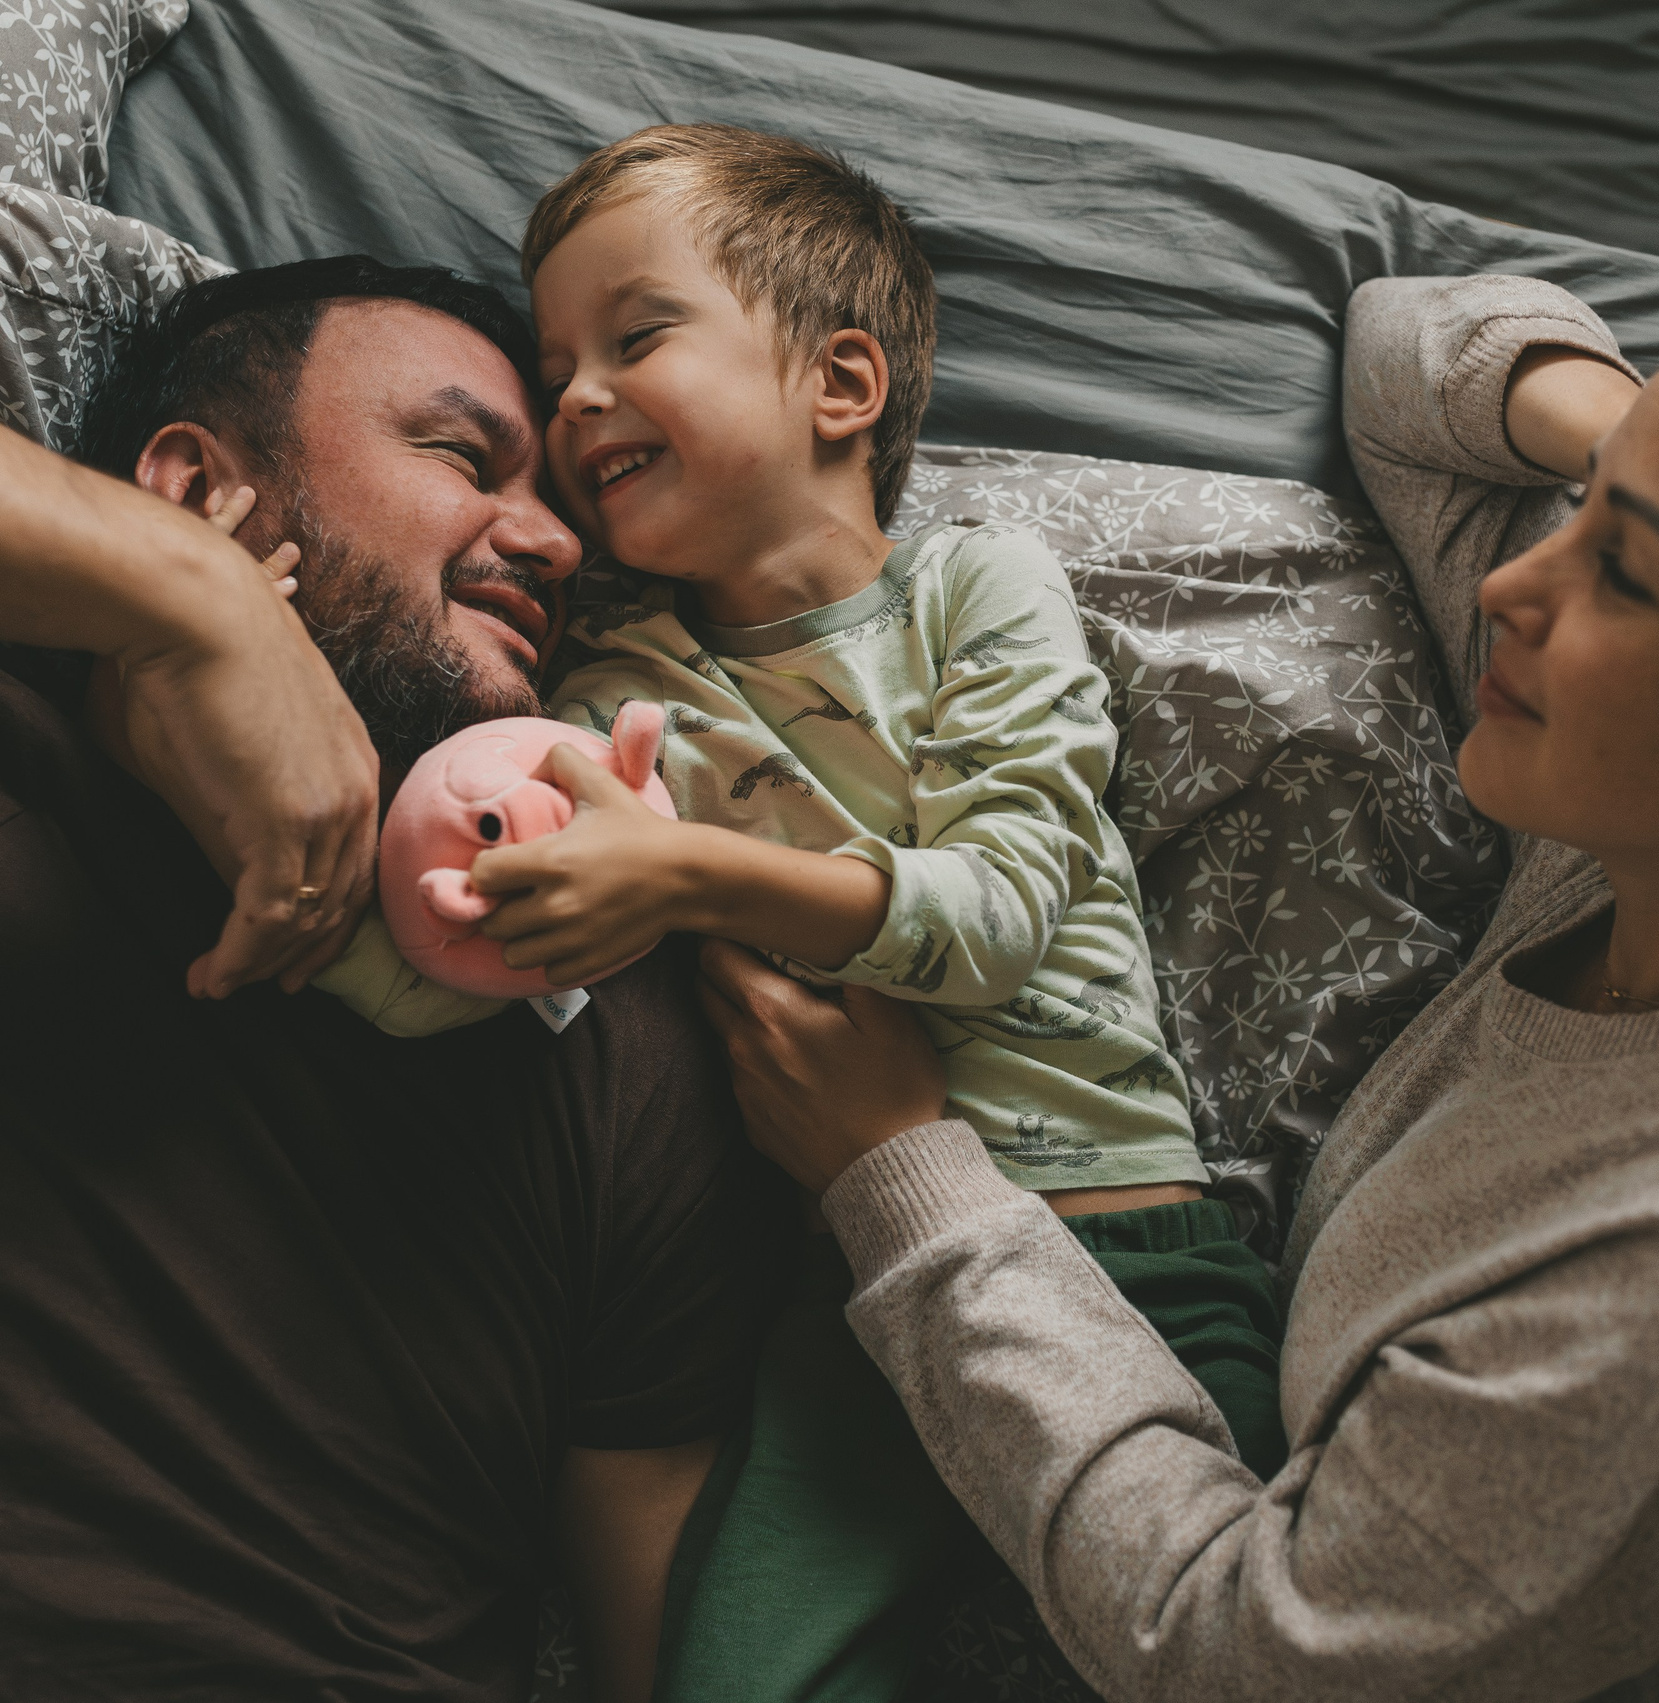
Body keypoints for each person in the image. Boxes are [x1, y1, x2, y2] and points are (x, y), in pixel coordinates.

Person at [696, 268, 1659, 1699]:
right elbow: (1402, 361)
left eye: (1627, 569)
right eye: (1590, 502)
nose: (1514, 586)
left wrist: (903, 1176)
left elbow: (1241, 1654)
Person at [0, 256, 784, 1703]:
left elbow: (680, 1655)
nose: (560, 545)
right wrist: (181, 593)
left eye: (566, 506)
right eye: (465, 457)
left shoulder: (606, 1023)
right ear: (196, 483)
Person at [452, 124, 1281, 1703]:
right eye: (554, 372)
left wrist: (687, 874)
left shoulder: (979, 588)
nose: (574, 403)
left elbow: (996, 917)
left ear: (840, 385)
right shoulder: (616, 685)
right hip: (844, 1291)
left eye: (636, 338)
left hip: (1129, 1253)